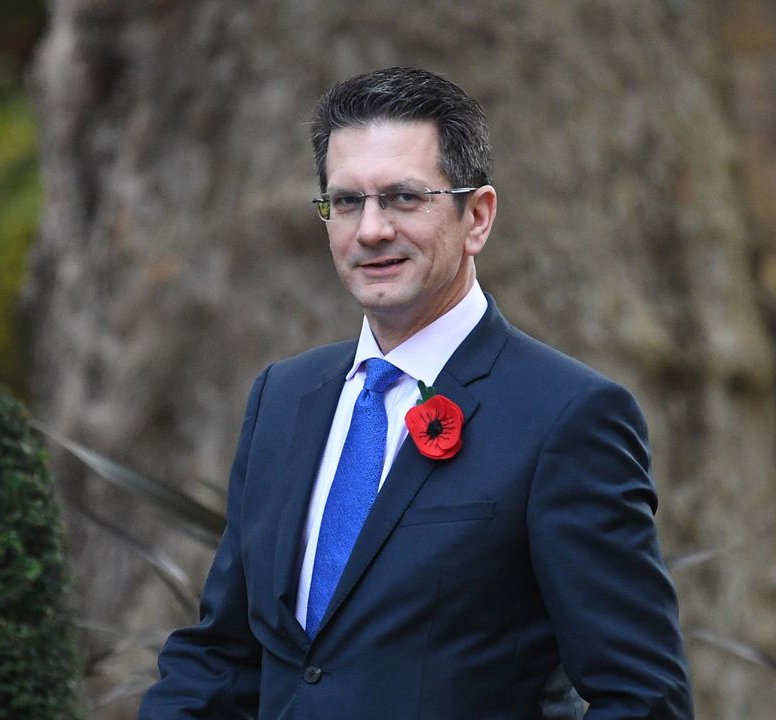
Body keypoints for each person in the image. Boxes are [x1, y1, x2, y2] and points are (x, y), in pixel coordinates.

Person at [139, 66, 693, 720]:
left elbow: (642, 697)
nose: (370, 230)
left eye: (403, 198)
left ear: (477, 216)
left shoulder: (567, 419)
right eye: (346, 201)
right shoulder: (283, 400)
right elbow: (224, 655)